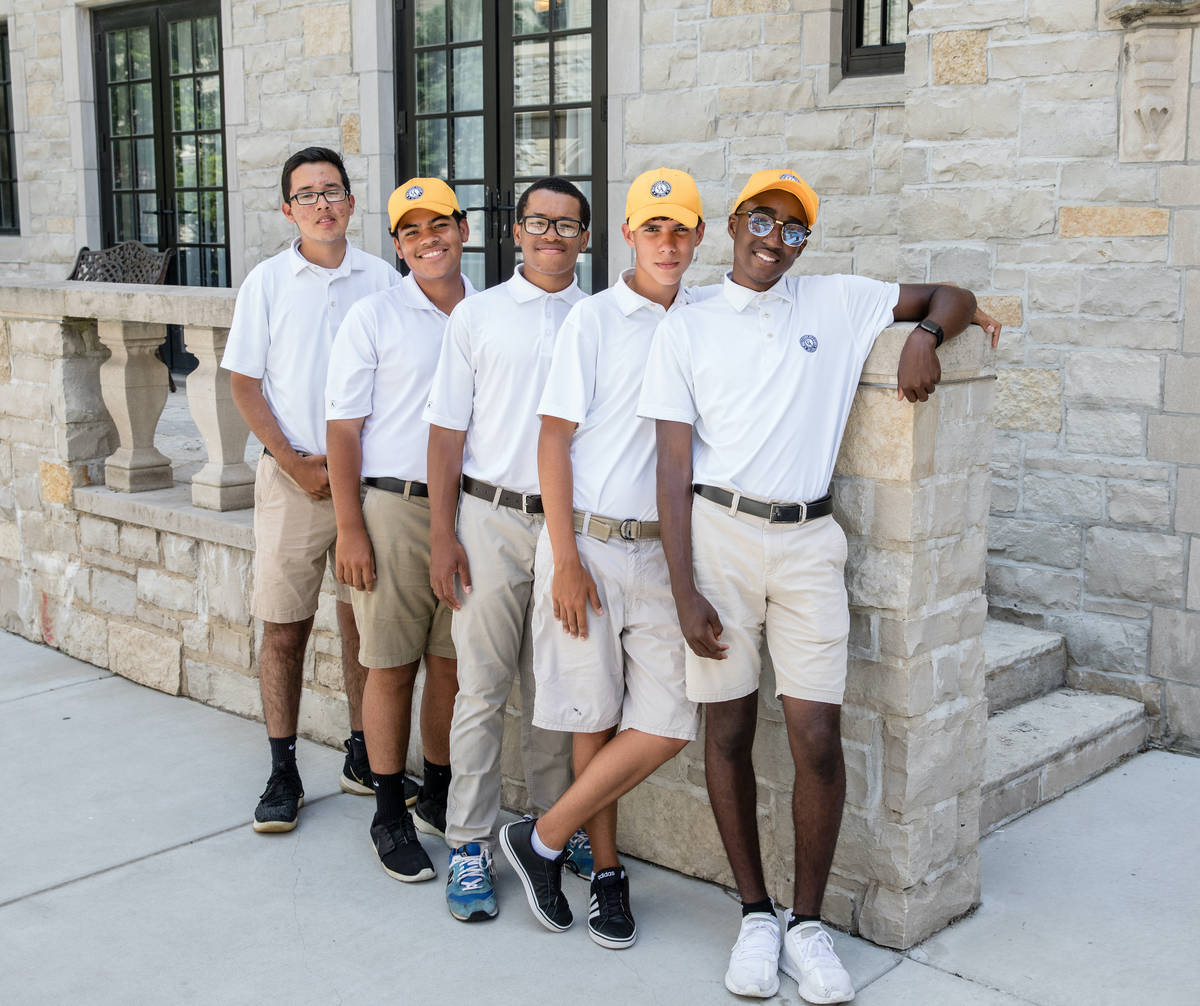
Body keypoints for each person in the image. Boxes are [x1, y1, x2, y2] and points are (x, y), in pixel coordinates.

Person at [638, 168, 987, 1002]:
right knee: (727, 732)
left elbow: (953, 292)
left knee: (816, 739)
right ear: (734, 224)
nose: (774, 240)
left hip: (808, 544)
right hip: (718, 537)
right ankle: (755, 915)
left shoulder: (837, 300)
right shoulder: (686, 328)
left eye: (792, 230)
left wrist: (925, 337)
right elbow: (672, 465)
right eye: (762, 221)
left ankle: (807, 923)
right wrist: (682, 586)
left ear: (805, 244)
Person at [498, 169, 710, 950]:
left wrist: (934, 315)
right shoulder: (591, 322)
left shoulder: (708, 314)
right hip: (588, 543)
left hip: (663, 557)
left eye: (681, 229)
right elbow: (552, 439)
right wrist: (562, 558)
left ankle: (543, 837)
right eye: (652, 229)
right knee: (593, 713)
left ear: (697, 237)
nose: (667, 243)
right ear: (626, 234)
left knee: (669, 719)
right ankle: (608, 872)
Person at [423, 177, 594, 922]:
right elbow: (445, 432)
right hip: (490, 518)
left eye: (567, 224)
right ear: (514, 232)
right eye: (538, 221)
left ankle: (556, 827)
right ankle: (470, 843)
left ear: (586, 237)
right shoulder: (479, 316)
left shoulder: (602, 317)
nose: (552, 234)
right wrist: (440, 534)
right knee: (483, 686)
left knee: (557, 684)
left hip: (573, 529)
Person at [224, 146, 399, 833]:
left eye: (333, 191)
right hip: (293, 480)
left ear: (353, 204)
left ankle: (364, 754)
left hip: (369, 486)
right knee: (284, 627)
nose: (322, 203)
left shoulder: (383, 279)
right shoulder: (268, 283)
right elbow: (244, 381)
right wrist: (292, 461)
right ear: (287, 209)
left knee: (367, 629)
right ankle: (282, 767)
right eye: (307, 194)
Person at [325, 178, 475, 881]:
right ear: (397, 245)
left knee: (450, 663)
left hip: (471, 511)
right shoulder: (374, 316)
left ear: (463, 229)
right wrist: (349, 525)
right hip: (393, 507)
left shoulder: (490, 312)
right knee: (390, 664)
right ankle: (389, 810)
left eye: (437, 224)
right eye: (411, 231)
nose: (427, 240)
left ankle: (437, 795)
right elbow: (343, 429)